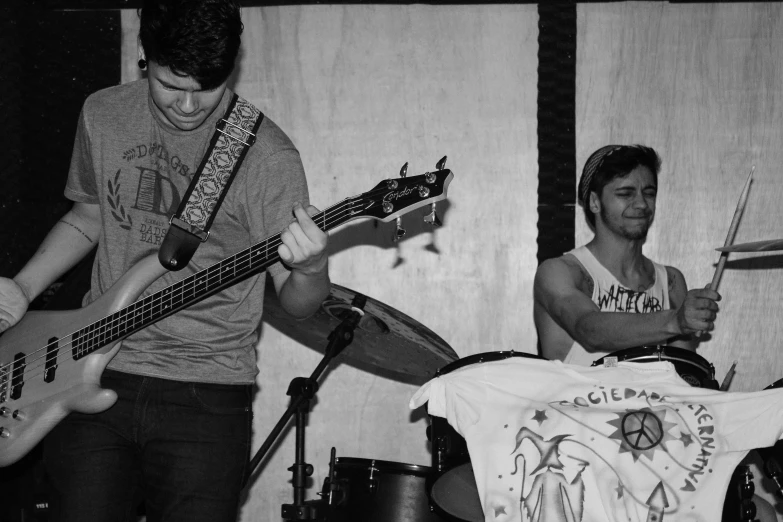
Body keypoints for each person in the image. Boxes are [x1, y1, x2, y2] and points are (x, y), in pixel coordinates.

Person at [0, 1, 330, 521]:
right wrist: (20, 288)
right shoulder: (103, 113)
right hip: (91, 362)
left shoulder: (268, 157)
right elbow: (89, 216)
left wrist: (311, 269)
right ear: (143, 54)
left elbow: (301, 305)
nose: (190, 105)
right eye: (171, 85)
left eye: (209, 88)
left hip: (207, 392)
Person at [533, 144, 721, 365]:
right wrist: (675, 321)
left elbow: (682, 373)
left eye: (649, 193)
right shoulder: (560, 271)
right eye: (625, 193)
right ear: (594, 202)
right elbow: (589, 330)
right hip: (580, 400)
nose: (641, 204)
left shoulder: (671, 281)